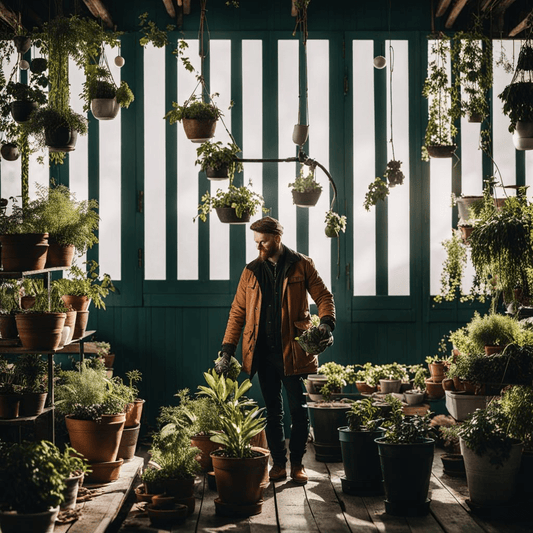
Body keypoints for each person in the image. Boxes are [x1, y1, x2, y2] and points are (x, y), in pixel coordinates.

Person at [215, 216, 336, 484]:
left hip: (293, 350)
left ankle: (298, 464)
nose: (259, 247)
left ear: (277, 238)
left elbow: (323, 296)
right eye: (256, 242)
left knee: (298, 409)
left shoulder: (302, 265)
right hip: (263, 353)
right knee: (273, 410)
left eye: (263, 241)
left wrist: (326, 322)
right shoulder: (250, 271)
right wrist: (227, 349)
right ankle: (279, 464)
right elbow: (237, 313)